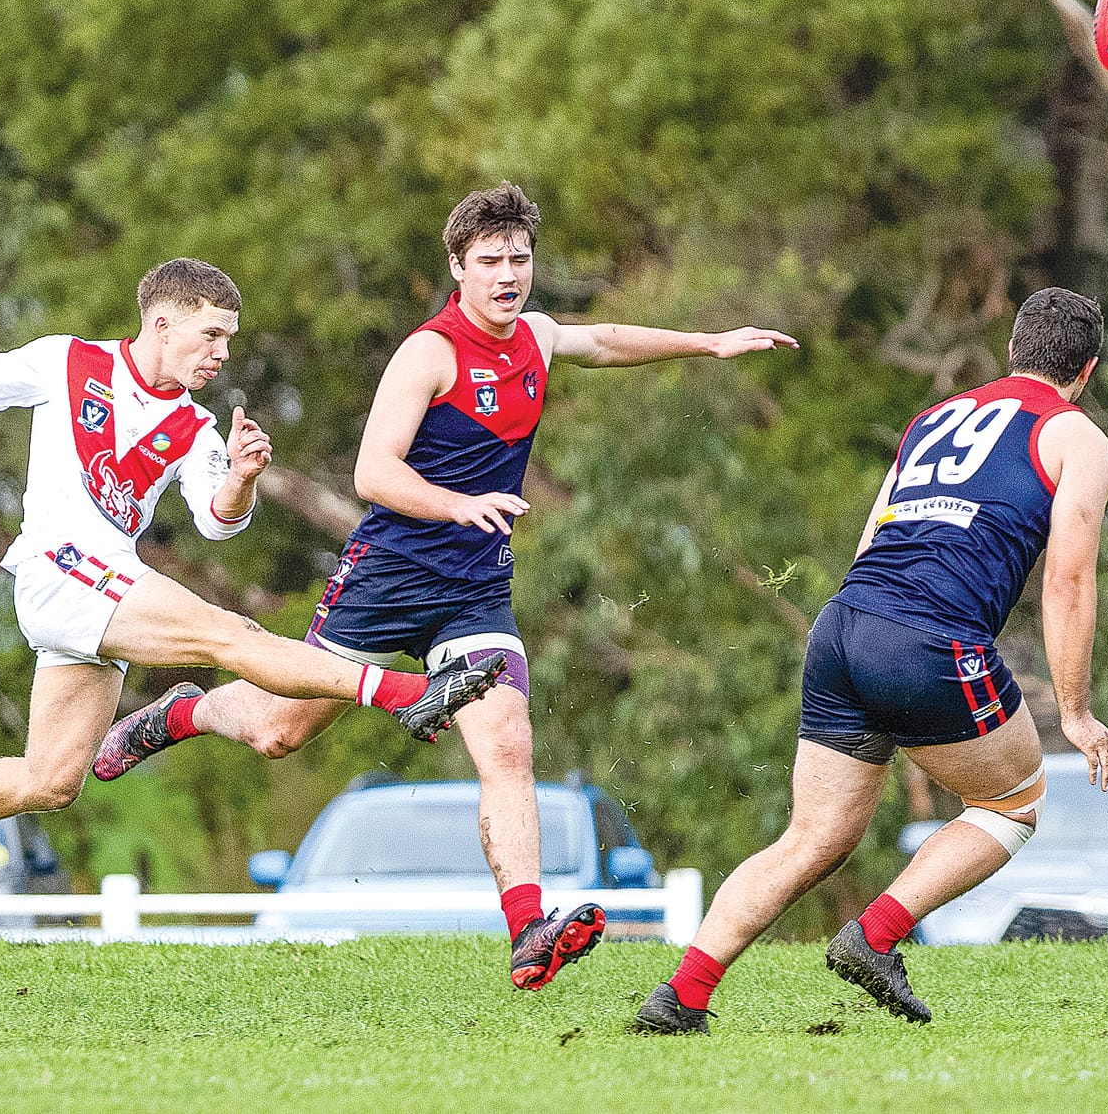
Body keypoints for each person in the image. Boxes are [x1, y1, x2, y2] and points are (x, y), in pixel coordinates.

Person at [94, 184, 797, 989]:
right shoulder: (430, 352)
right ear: (458, 265)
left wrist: (709, 343)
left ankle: (528, 930)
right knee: (278, 733)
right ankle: (183, 709)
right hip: (388, 578)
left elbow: (600, 339)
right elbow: (372, 471)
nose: (508, 274)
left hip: (474, 594)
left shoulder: (532, 335)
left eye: (520, 259)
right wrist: (460, 504)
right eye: (490, 260)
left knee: (506, 742)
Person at [0, 259, 502, 915]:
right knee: (231, 635)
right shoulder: (67, 361)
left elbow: (218, 522)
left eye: (229, 338)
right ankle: (406, 695)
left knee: (49, 781)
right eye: (212, 334)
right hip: (61, 568)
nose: (222, 353)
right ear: (162, 323)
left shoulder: (194, 426)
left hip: (99, 594)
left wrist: (243, 480)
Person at [635, 286, 1108, 1033]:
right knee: (1012, 802)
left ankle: (681, 995)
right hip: (932, 637)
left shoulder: (930, 419)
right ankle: (876, 935)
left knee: (812, 836)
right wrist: (1078, 712)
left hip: (843, 624)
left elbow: (871, 542)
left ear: (1013, 351)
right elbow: (1068, 579)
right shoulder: (1075, 435)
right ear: (1084, 369)